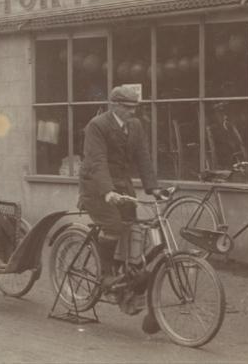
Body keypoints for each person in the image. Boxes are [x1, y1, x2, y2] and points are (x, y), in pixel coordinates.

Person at [78, 85, 168, 324]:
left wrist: (153, 188)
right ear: (114, 105)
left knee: (133, 226)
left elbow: (143, 156)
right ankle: (106, 274)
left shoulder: (135, 126)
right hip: (96, 187)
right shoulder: (97, 126)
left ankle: (122, 279)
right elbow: (97, 162)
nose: (132, 112)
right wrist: (107, 191)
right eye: (128, 107)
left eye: (135, 107)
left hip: (122, 185)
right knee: (114, 226)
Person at [206, 101, 248, 172]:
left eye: (223, 112)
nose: (223, 115)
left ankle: (239, 165)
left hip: (232, 145)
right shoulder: (213, 127)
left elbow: (236, 136)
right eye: (219, 112)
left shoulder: (229, 123)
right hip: (223, 149)